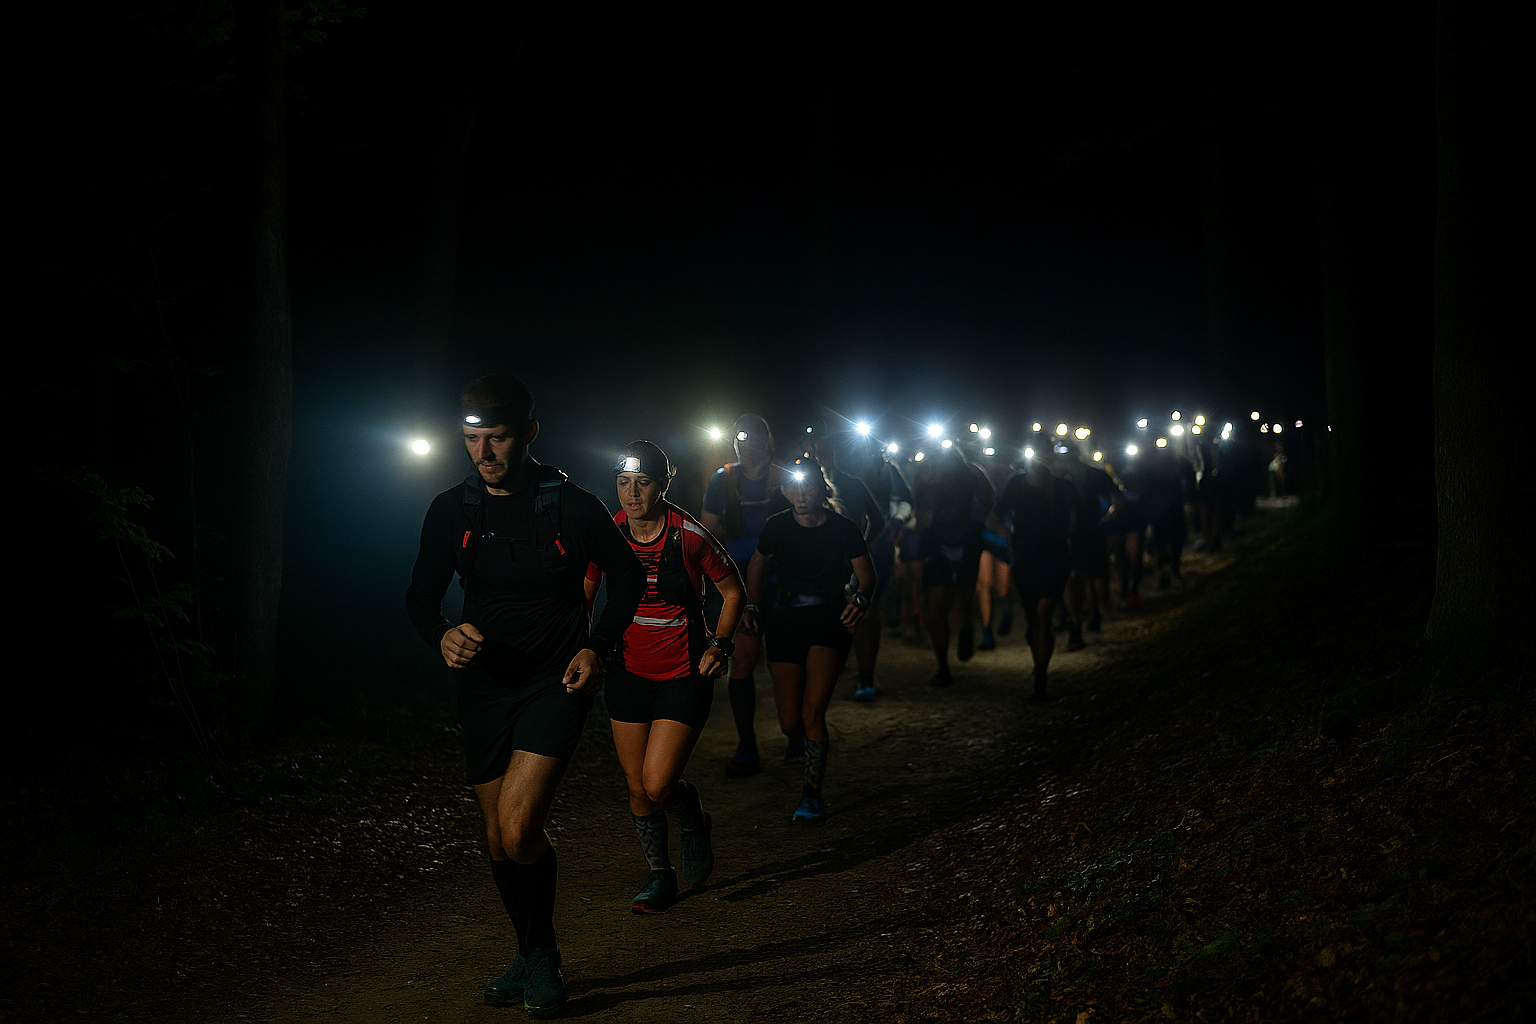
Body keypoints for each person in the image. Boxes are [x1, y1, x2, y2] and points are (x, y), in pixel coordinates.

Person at [405, 374, 645, 1015]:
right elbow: (421, 596)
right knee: (494, 837)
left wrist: (598, 645)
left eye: (498, 439)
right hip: (485, 687)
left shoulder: (572, 506)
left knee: (517, 829)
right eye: (472, 439)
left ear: (529, 433)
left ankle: (544, 958)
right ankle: (526, 947)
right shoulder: (451, 510)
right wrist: (443, 634)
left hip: (555, 681)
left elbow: (627, 574)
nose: (483, 454)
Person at [584, 441, 745, 915]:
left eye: (643, 483)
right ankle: (659, 874)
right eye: (622, 484)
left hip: (683, 671)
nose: (631, 494)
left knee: (658, 785)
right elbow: (586, 594)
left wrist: (721, 644)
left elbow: (733, 589)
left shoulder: (688, 535)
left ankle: (693, 821)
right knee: (637, 787)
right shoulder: (607, 532)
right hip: (627, 671)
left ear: (662, 485)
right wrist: (582, 647)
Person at [742, 457, 875, 822]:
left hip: (827, 620)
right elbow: (758, 563)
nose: (801, 495)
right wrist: (752, 605)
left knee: (812, 713)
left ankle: (811, 793)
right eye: (794, 488)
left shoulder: (844, 528)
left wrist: (860, 601)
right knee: (790, 723)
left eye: (809, 488)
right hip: (785, 620)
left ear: (822, 489)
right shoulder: (776, 526)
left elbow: (867, 574)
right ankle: (801, 745)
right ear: (785, 491)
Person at [699, 414, 790, 777]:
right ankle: (747, 744)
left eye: (755, 437)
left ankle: (796, 730)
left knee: (786, 659)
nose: (748, 443)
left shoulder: (786, 477)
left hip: (782, 578)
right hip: (739, 579)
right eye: (742, 436)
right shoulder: (723, 480)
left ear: (767, 441)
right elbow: (708, 530)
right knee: (744, 660)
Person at [989, 450, 1078, 700]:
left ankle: (1041, 677)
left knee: (1042, 618)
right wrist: (1009, 538)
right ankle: (1039, 668)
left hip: (1052, 558)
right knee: (1034, 619)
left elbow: (1077, 520)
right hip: (1027, 558)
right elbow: (994, 517)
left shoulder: (1063, 487)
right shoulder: (1016, 483)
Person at [912, 442, 995, 687]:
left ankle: (944, 664)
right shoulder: (972, 472)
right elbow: (990, 499)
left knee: (940, 607)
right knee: (956, 601)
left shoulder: (938, 475)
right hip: (961, 542)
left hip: (946, 542)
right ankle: (960, 636)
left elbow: (920, 510)